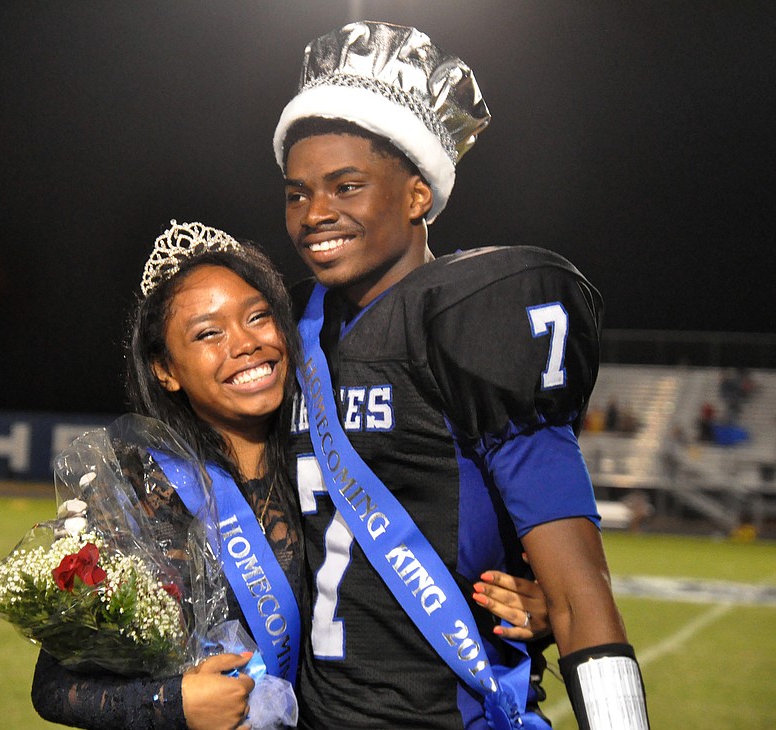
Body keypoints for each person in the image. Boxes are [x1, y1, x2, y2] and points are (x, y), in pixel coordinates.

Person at [30, 220, 553, 729]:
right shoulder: (145, 491)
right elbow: (54, 686)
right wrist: (177, 704)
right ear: (164, 369)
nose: (245, 343)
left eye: (258, 317)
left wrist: (528, 613)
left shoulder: (337, 455)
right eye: (209, 333)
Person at [274, 22, 649, 730]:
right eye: (296, 194)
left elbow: (578, 593)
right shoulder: (284, 330)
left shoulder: (480, 315)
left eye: (345, 186)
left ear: (419, 195)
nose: (315, 213)